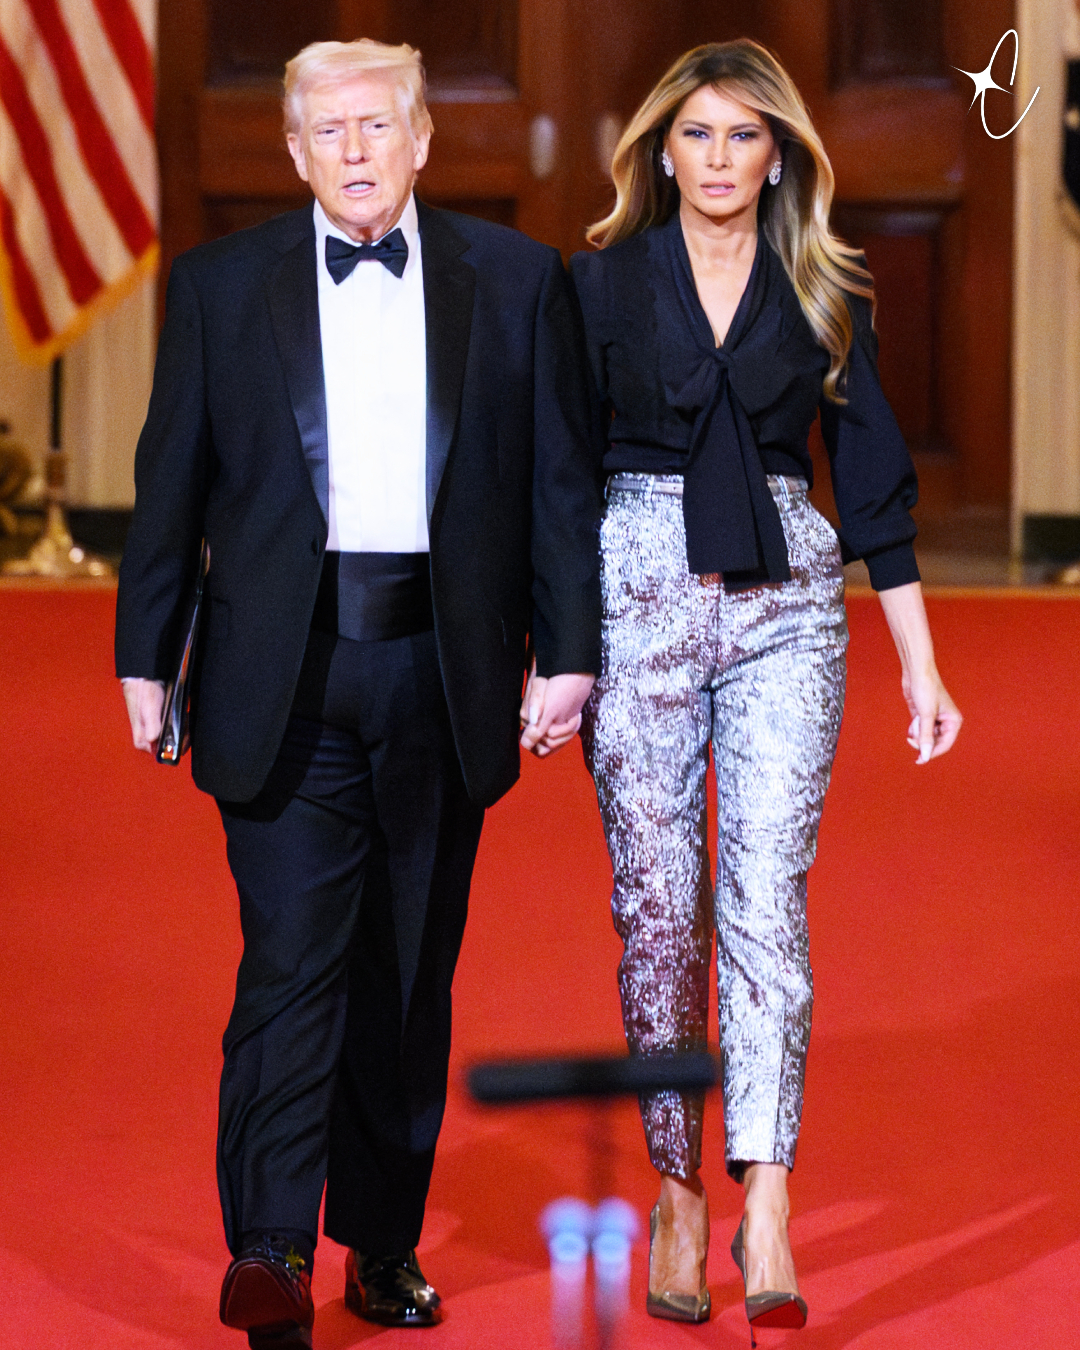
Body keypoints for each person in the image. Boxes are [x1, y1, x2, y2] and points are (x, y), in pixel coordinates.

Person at [116, 38, 599, 1350]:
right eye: (327, 131)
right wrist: (143, 653)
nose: (354, 150)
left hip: (442, 671)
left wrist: (568, 651)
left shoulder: (517, 282)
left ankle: (381, 1244)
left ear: (422, 138)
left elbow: (557, 487)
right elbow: (170, 482)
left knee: (403, 972)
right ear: (294, 153)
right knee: (290, 963)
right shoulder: (221, 287)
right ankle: (269, 1248)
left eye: (376, 125)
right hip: (281, 674)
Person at [569, 39, 961, 1336]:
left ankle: (770, 1197)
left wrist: (920, 663)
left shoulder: (829, 283)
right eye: (698, 134)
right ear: (661, 149)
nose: (720, 158)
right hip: (637, 603)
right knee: (658, 913)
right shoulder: (600, 283)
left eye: (744, 136)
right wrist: (554, 647)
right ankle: (678, 1187)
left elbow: (876, 485)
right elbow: (557, 476)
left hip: (790, 610)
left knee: (766, 902)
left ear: (779, 155)